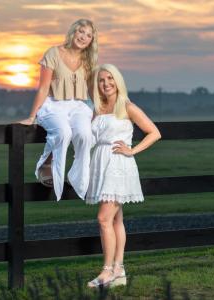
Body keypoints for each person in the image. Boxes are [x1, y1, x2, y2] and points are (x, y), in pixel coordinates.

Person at [86, 64, 161, 288]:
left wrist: (132, 150)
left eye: (110, 78)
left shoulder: (127, 106)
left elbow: (154, 132)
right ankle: (119, 270)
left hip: (119, 165)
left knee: (103, 218)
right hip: (101, 163)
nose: (106, 83)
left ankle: (107, 271)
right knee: (116, 219)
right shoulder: (97, 108)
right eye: (101, 80)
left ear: (117, 81)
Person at [19, 19, 98, 201]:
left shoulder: (88, 60)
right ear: (73, 32)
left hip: (78, 106)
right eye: (81, 32)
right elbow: (43, 88)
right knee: (63, 132)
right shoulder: (53, 53)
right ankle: (45, 164)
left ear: (91, 40)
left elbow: (92, 90)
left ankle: (77, 177)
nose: (84, 37)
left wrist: (99, 112)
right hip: (54, 104)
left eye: (88, 35)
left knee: (85, 134)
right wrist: (32, 116)